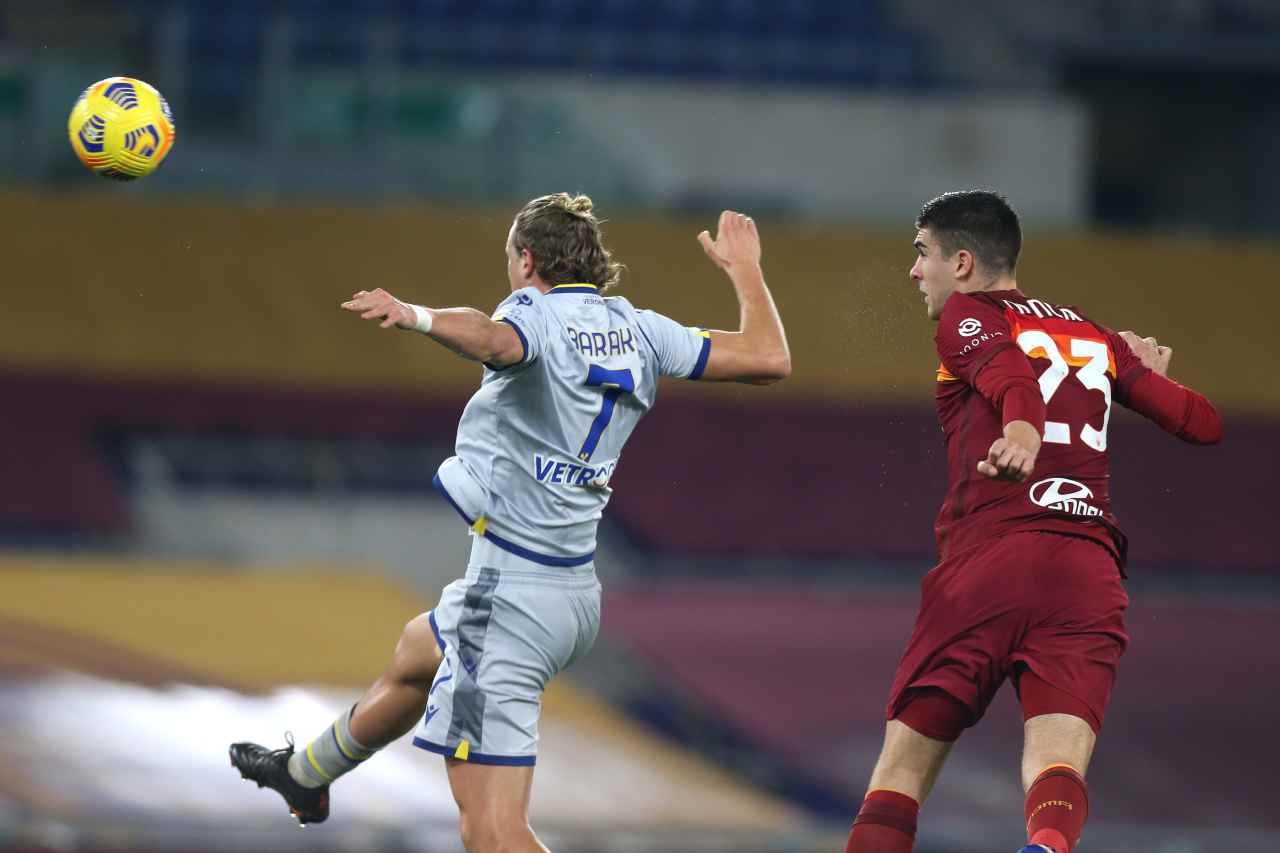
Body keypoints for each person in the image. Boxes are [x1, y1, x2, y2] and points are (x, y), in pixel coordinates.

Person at [229, 194, 790, 852]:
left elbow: (495, 338)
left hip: (512, 603)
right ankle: (305, 775)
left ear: (527, 261)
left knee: (493, 834)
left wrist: (417, 315)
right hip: (570, 590)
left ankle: (307, 777)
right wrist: (745, 268)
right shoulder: (641, 329)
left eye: (509, 261)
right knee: (417, 657)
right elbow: (767, 356)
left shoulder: (534, 315)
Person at [843, 190, 1222, 853]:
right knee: (1056, 765)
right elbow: (1202, 423)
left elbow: (1011, 374)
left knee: (900, 773)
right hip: (1086, 569)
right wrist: (1153, 377)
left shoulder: (967, 314)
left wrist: (1021, 430)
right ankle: (1045, 848)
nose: (913, 271)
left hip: (991, 561)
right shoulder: (1093, 334)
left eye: (921, 253)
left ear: (962, 263)